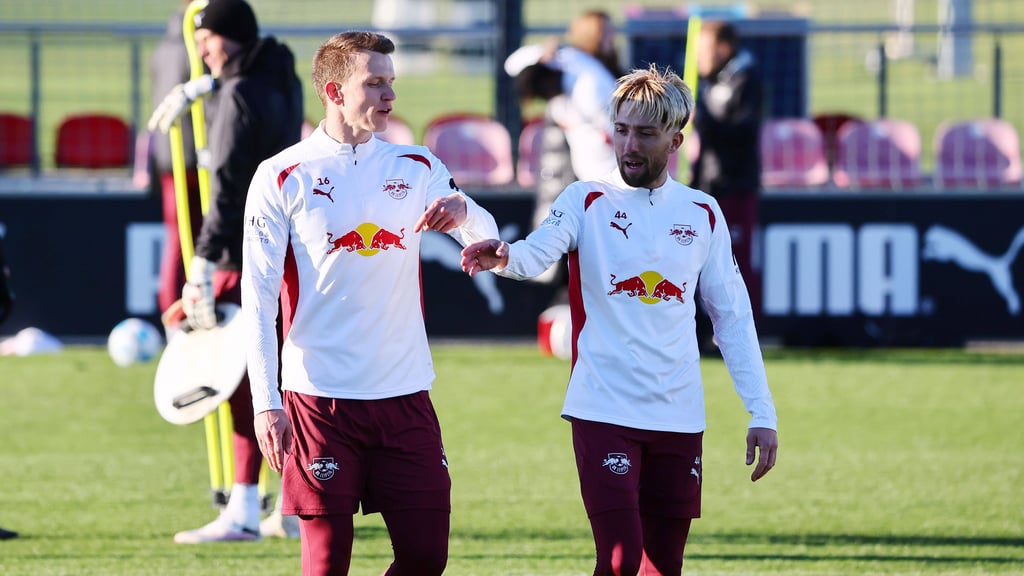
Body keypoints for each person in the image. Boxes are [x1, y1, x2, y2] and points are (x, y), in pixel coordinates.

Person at [460, 65, 778, 576]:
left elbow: (733, 318)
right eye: (622, 129)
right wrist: (504, 256)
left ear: (675, 140)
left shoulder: (702, 212)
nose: (629, 145)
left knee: (663, 564)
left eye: (646, 134)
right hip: (602, 408)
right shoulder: (584, 199)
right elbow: (535, 254)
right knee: (619, 558)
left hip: (678, 416)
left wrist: (762, 411)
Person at [241, 31, 500, 575]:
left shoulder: (417, 164)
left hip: (404, 394)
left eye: (391, 82)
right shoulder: (281, 175)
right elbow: (258, 298)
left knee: (426, 557)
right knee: (326, 564)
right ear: (334, 92)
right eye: (375, 82)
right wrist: (266, 402)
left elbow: (484, 234)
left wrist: (465, 212)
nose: (390, 95)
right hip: (319, 400)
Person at [149, 0, 304, 544]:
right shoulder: (280, 79)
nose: (202, 52)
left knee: (242, 384)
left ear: (230, 36)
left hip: (244, 257)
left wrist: (201, 262)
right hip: (287, 250)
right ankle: (293, 506)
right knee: (286, 380)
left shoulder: (237, 96)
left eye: (208, 40)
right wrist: (207, 87)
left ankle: (241, 511)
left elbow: (228, 190)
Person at [691, 20, 764, 323]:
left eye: (705, 50)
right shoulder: (709, 82)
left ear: (724, 48)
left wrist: (703, 120)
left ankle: (743, 329)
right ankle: (707, 329)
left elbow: (744, 132)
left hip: (735, 185)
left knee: (735, 261)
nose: (699, 58)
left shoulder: (746, 80)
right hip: (707, 187)